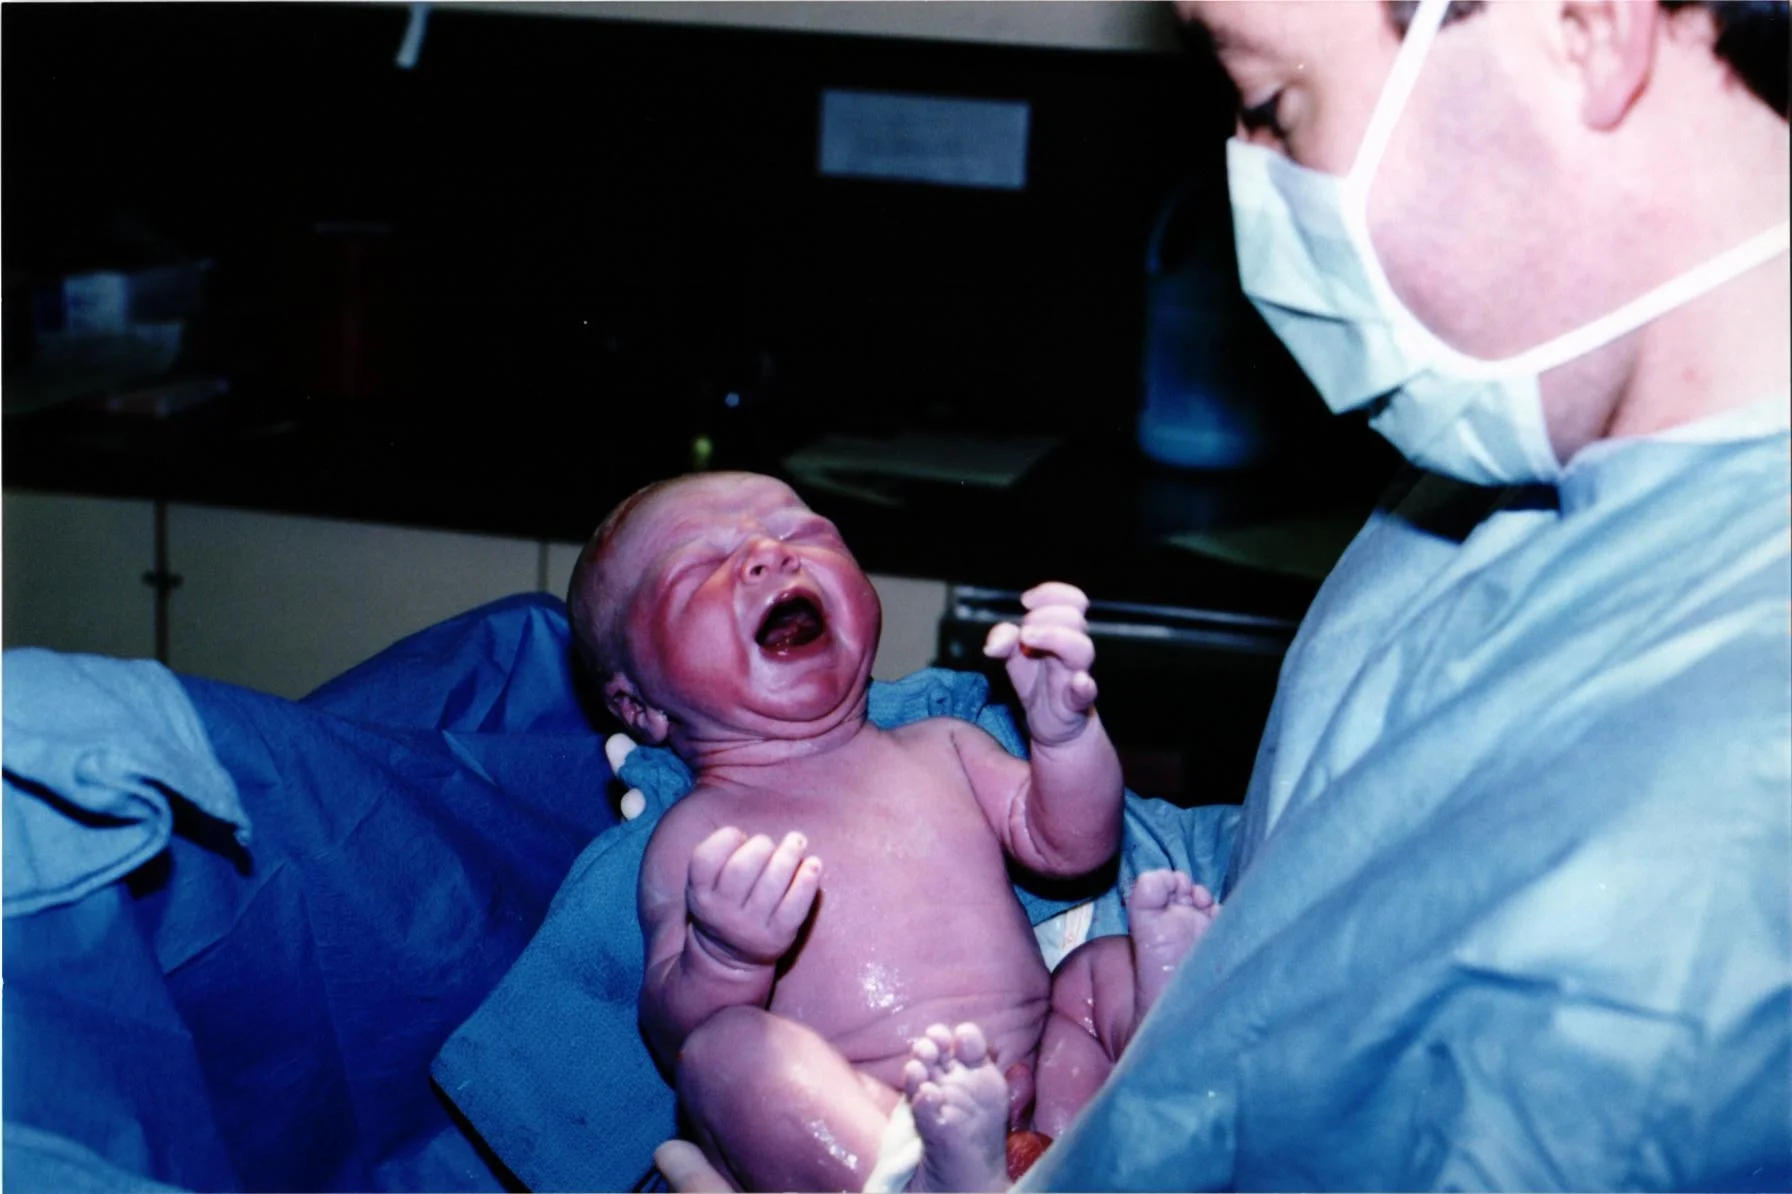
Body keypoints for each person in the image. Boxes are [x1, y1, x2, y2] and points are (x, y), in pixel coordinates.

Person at [1014, 0, 1789, 1189]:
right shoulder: (1506, 438)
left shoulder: (1709, 849)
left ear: (1587, 30)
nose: (1254, 183)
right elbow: (1328, 885)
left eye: (1273, 105)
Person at [565, 471, 1220, 1193]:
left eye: (802, 532)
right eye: (700, 567)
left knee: (1100, 971)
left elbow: (1075, 846)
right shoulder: (699, 837)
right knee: (723, 1054)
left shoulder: (944, 745)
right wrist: (724, 953)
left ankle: (1166, 1066)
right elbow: (675, 1032)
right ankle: (919, 1180)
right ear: (640, 707)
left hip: (1047, 1093)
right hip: (871, 1120)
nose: (768, 554)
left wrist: (1064, 738)